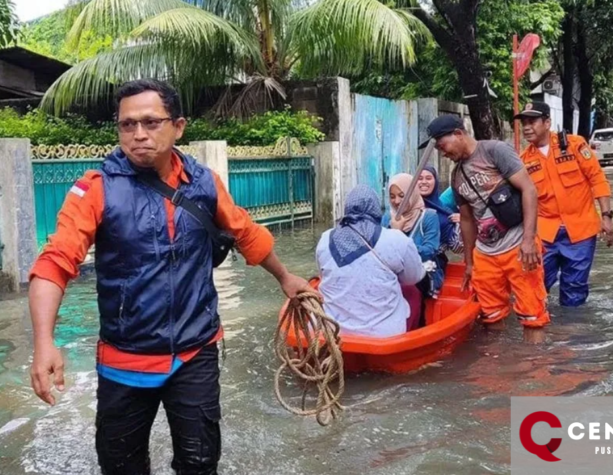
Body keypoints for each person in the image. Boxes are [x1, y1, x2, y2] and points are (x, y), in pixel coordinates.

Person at [27, 79, 314, 475]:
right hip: (124, 360)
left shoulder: (204, 183)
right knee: (121, 466)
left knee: (200, 464)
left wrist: (285, 277)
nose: (138, 134)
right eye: (127, 125)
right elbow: (54, 263)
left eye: (150, 122)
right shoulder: (95, 190)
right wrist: (44, 342)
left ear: (178, 126)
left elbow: (246, 232)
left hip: (195, 353)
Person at [419, 115, 549, 343]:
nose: (443, 153)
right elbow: (467, 220)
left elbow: (529, 190)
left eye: (442, 146)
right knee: (490, 317)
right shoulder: (456, 176)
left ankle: (534, 370)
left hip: (518, 245)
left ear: (458, 134)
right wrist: (469, 263)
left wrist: (529, 240)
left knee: (532, 315)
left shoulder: (495, 151)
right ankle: (496, 370)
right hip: (486, 254)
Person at [516, 101, 613, 307]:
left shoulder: (575, 145)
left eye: (532, 121)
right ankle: (539, 333)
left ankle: (572, 333)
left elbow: (597, 179)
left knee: (575, 291)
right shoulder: (522, 161)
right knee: (536, 286)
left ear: (547, 122)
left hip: (580, 231)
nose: (526, 127)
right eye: (523, 122)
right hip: (544, 234)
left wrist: (606, 216)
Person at [316, 185, 426, 337]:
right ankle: (411, 342)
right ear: (376, 210)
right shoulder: (396, 238)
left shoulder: (324, 238)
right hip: (382, 334)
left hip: (330, 331)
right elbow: (413, 277)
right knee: (413, 292)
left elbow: (323, 274)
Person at [382, 173, 446, 300]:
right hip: (394, 269)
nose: (397, 201)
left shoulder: (428, 217)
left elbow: (429, 251)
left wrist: (398, 236)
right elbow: (381, 249)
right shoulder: (388, 218)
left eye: (402, 196)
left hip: (422, 270)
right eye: (392, 197)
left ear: (412, 194)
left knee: (409, 288)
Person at [417, 166, 463, 254]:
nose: (424, 182)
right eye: (419, 178)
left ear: (435, 182)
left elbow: (457, 247)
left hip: (433, 264)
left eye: (428, 178)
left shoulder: (444, 212)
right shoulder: (405, 209)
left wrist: (464, 222)